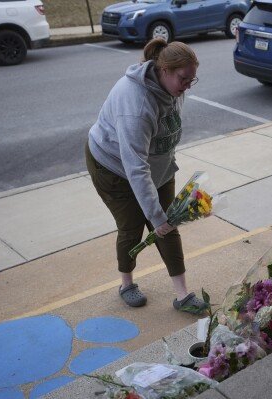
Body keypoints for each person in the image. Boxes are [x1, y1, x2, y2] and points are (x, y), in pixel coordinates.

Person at [84, 38, 208, 314]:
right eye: (184, 79)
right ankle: (126, 284)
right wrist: (154, 214)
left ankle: (182, 295)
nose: (188, 85)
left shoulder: (172, 88)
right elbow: (135, 166)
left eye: (192, 80)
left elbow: (167, 135)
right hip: (112, 166)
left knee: (168, 225)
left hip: (153, 165)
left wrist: (163, 211)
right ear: (164, 70)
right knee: (133, 226)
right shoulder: (136, 106)